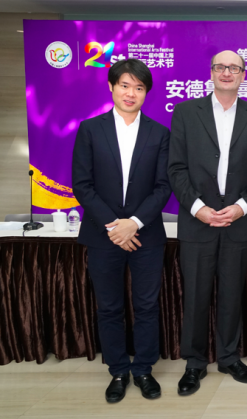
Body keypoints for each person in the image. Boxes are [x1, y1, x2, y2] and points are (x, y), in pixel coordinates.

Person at [168, 50, 247, 395]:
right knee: (196, 295)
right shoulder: (186, 112)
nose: (227, 72)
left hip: (238, 222)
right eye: (220, 67)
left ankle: (229, 357)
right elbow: (176, 168)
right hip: (197, 220)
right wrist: (197, 207)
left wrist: (241, 207)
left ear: (243, 75)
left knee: (231, 293)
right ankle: (195, 362)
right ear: (211, 72)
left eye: (234, 68)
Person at [72, 58, 171, 403]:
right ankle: (117, 370)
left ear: (146, 93)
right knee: (109, 307)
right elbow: (82, 185)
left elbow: (163, 187)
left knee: (146, 306)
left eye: (139, 87)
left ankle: (143, 369)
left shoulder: (160, 133)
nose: (131, 93)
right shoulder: (90, 129)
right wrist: (115, 226)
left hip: (146, 234)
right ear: (112, 87)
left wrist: (134, 223)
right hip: (103, 235)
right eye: (125, 85)